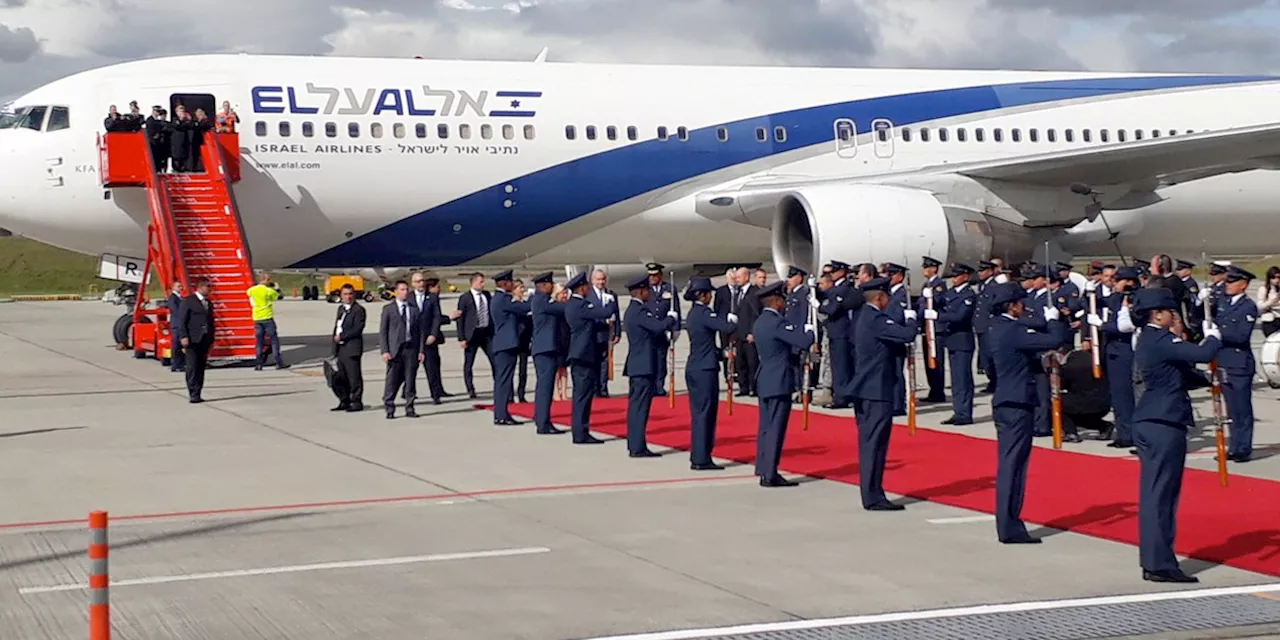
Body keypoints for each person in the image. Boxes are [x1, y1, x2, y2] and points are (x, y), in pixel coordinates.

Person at [1130, 287, 1222, 583]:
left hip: (1154, 418)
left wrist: (1208, 379)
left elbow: (1181, 373)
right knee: (1161, 496)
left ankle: (1156, 559)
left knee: (1158, 494)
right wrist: (1213, 336)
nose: (1175, 316)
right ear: (1157, 314)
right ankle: (1159, 563)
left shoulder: (1152, 339)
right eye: (1171, 311)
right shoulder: (1160, 338)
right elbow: (1202, 353)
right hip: (1163, 422)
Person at [989, 282, 1067, 544]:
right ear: (1012, 306)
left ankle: (1009, 522)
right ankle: (1009, 525)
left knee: (1011, 463)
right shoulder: (1012, 329)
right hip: (1016, 402)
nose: (1024, 307)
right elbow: (1055, 339)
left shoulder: (998, 328)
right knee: (1013, 466)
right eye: (1021, 303)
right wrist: (1054, 320)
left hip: (1006, 398)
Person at [851, 277, 919, 510]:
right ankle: (872, 495)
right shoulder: (875, 318)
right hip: (876, 389)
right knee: (874, 444)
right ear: (879, 298)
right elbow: (905, 335)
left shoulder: (865, 317)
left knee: (873, 443)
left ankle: (873, 492)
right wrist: (911, 322)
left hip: (868, 388)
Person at [753, 281, 816, 487]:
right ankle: (770, 473)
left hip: (765, 378)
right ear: (777, 301)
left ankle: (763, 467)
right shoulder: (777, 323)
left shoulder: (761, 321)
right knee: (775, 428)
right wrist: (809, 332)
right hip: (778, 379)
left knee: (765, 427)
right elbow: (802, 341)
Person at [683, 277, 738, 470]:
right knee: (705, 414)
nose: (710, 297)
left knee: (699, 413)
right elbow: (728, 328)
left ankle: (699, 455)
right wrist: (731, 320)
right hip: (704, 369)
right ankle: (701, 457)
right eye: (709, 294)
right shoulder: (704, 313)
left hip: (696, 365)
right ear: (702, 295)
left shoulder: (692, 314)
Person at [624, 274, 681, 458]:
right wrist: (671, 319)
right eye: (647, 290)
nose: (649, 293)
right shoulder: (639, 311)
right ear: (641, 292)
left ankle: (635, 443)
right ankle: (638, 446)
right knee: (640, 408)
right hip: (642, 365)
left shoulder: (634, 310)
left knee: (636, 407)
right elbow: (657, 327)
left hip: (638, 364)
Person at [564, 272, 618, 444]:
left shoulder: (574, 304)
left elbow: (592, 323)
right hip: (583, 354)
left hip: (581, 353)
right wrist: (611, 301)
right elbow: (605, 312)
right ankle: (581, 433)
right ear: (581, 288)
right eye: (586, 286)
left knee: (583, 395)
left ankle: (581, 431)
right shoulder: (580, 305)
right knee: (582, 396)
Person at [1089, 266, 1140, 448]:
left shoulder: (1135, 299)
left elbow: (1125, 326)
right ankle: (1123, 432)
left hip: (1125, 351)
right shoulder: (1117, 298)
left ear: (1129, 282)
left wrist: (1102, 325)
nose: (1113, 283)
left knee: (1125, 395)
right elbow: (1100, 303)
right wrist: (1089, 292)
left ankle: (1130, 434)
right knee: (1117, 396)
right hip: (1112, 351)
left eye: (1117, 280)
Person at [1217, 266, 1258, 462]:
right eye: (1227, 281)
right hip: (1224, 361)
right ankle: (1233, 446)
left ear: (1243, 285)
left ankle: (1243, 448)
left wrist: (1217, 334)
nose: (1227, 285)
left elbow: (1241, 336)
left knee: (1242, 409)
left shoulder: (1248, 306)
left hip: (1240, 363)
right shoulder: (1223, 302)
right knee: (1231, 409)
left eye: (1232, 282)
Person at [928, 263, 977, 425]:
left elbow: (961, 316)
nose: (954, 279)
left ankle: (965, 413)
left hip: (963, 340)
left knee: (963, 379)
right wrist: (930, 296)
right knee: (956, 379)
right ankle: (958, 411)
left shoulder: (968, 295)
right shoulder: (951, 293)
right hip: (952, 340)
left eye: (957, 276)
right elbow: (940, 301)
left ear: (965, 276)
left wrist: (939, 316)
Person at [489, 270, 530, 426]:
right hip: (506, 344)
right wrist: (535, 297)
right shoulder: (504, 299)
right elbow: (524, 307)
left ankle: (501, 414)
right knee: (504, 381)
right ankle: (502, 414)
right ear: (505, 283)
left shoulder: (498, 298)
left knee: (502, 380)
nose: (513, 284)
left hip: (501, 343)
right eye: (510, 282)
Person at [530, 272, 568, 435]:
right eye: (550, 284)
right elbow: (564, 308)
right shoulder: (542, 301)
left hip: (544, 349)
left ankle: (541, 418)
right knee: (545, 387)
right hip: (545, 350)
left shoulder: (541, 300)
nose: (552, 286)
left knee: (544, 386)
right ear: (544, 286)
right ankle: (543, 423)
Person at [817, 260, 857, 409]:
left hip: (842, 332)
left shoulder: (843, 288)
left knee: (841, 367)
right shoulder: (837, 288)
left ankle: (842, 397)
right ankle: (840, 394)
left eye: (834, 271)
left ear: (841, 272)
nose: (832, 274)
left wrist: (820, 306)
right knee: (837, 366)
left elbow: (832, 309)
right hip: (835, 332)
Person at [380, 281, 421, 419]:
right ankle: (389, 406)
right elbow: (383, 331)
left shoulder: (414, 309)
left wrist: (420, 350)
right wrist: (385, 350)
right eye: (402, 290)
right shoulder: (388, 309)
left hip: (410, 348)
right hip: (395, 349)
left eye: (406, 290)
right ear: (396, 292)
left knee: (410, 379)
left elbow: (419, 332)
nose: (405, 292)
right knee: (392, 379)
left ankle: (410, 407)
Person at [1058, 345, 1110, 442]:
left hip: (1086, 401)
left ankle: (1071, 433)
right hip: (1105, 401)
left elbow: (1061, 385)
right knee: (1079, 411)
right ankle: (1103, 426)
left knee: (1057, 403)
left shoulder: (1069, 366)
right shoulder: (1089, 357)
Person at [175, 278, 215, 404]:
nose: (210, 289)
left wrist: (212, 336)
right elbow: (182, 321)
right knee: (192, 366)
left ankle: (198, 392)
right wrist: (183, 336)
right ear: (200, 287)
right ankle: (192, 392)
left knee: (201, 366)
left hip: (205, 339)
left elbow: (210, 321)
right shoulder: (188, 301)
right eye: (208, 286)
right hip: (192, 339)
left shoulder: (208, 303)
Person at [645, 263, 680, 396]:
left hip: (664, 330)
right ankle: (651, 385)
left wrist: (675, 329)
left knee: (661, 360)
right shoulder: (645, 289)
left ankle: (660, 385)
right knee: (650, 359)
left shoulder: (669, 288)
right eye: (651, 275)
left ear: (660, 275)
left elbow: (675, 308)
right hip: (649, 330)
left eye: (655, 275)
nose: (653, 278)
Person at [456, 273, 493, 399]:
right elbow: (460, 319)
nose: (483, 284)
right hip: (472, 334)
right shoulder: (465, 298)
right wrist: (461, 337)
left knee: (494, 360)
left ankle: (498, 384)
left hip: (486, 333)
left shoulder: (487, 295)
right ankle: (470, 389)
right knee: (469, 363)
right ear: (473, 283)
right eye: (481, 282)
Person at [331, 283, 366, 412]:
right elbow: (336, 327)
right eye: (345, 294)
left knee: (354, 377)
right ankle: (344, 400)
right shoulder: (341, 309)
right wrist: (334, 347)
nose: (348, 297)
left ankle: (356, 402)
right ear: (341, 296)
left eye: (350, 294)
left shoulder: (358, 310)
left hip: (352, 348)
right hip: (340, 348)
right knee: (340, 376)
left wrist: (342, 337)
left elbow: (357, 329)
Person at [919, 256, 948, 403]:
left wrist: (930, 299)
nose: (924, 270)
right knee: (927, 360)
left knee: (936, 360)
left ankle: (938, 391)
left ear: (933, 269)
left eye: (926, 267)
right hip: (926, 327)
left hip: (936, 329)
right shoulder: (926, 284)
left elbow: (938, 301)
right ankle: (933, 389)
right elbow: (921, 304)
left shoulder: (939, 284)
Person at [588, 269, 621, 397]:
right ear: (593, 280)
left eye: (602, 279)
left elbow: (616, 314)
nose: (601, 282)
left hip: (607, 333)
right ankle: (595, 389)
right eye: (598, 279)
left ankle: (603, 388)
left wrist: (617, 332)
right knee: (594, 362)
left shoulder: (611, 294)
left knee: (605, 363)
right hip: (594, 333)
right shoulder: (589, 295)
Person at [418, 276, 451, 404]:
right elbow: (436, 318)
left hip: (431, 339)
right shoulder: (430, 298)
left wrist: (433, 334)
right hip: (421, 338)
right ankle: (407, 391)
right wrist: (450, 318)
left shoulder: (432, 299)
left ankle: (437, 392)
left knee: (434, 366)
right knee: (414, 367)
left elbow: (436, 318)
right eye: (437, 287)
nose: (439, 289)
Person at [247, 272, 287, 370]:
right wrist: (277, 288)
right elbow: (279, 296)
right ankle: (278, 362)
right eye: (269, 280)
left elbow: (249, 295)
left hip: (257, 318)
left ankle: (258, 364)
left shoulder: (251, 290)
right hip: (267, 318)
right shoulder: (269, 291)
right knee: (274, 341)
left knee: (259, 342)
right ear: (266, 280)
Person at [974, 260, 999, 393]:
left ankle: (994, 381)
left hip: (989, 326)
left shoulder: (994, 286)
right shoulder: (982, 285)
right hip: (981, 325)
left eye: (983, 271)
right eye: (979, 271)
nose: (980, 273)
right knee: (984, 355)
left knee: (990, 355)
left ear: (990, 272)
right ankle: (991, 381)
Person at [166, 280, 185, 372]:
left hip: (180, 324)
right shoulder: (173, 298)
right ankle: (175, 365)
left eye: (181, 286)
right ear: (173, 288)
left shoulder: (180, 298)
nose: (180, 288)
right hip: (177, 324)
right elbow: (175, 311)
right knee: (176, 345)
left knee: (180, 345)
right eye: (178, 286)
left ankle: (180, 363)